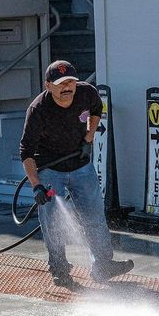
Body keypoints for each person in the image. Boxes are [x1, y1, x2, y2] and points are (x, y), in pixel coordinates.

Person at [20, 60, 134, 287]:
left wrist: (88, 139)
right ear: (48, 85)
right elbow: (26, 152)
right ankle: (59, 269)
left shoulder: (86, 93)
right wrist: (36, 185)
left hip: (81, 166)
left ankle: (103, 265)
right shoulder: (38, 109)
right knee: (52, 221)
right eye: (61, 83)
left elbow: (97, 109)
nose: (67, 87)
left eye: (71, 81)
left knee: (94, 215)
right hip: (50, 169)